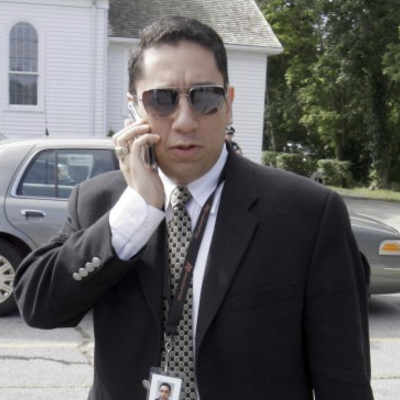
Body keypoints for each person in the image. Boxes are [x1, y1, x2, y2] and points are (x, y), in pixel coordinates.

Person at [14, 15, 374, 400]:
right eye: (162, 99)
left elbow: (345, 384)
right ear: (134, 109)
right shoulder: (98, 202)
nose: (185, 121)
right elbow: (39, 307)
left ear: (228, 104)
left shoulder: (308, 213)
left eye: (204, 97)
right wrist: (135, 213)